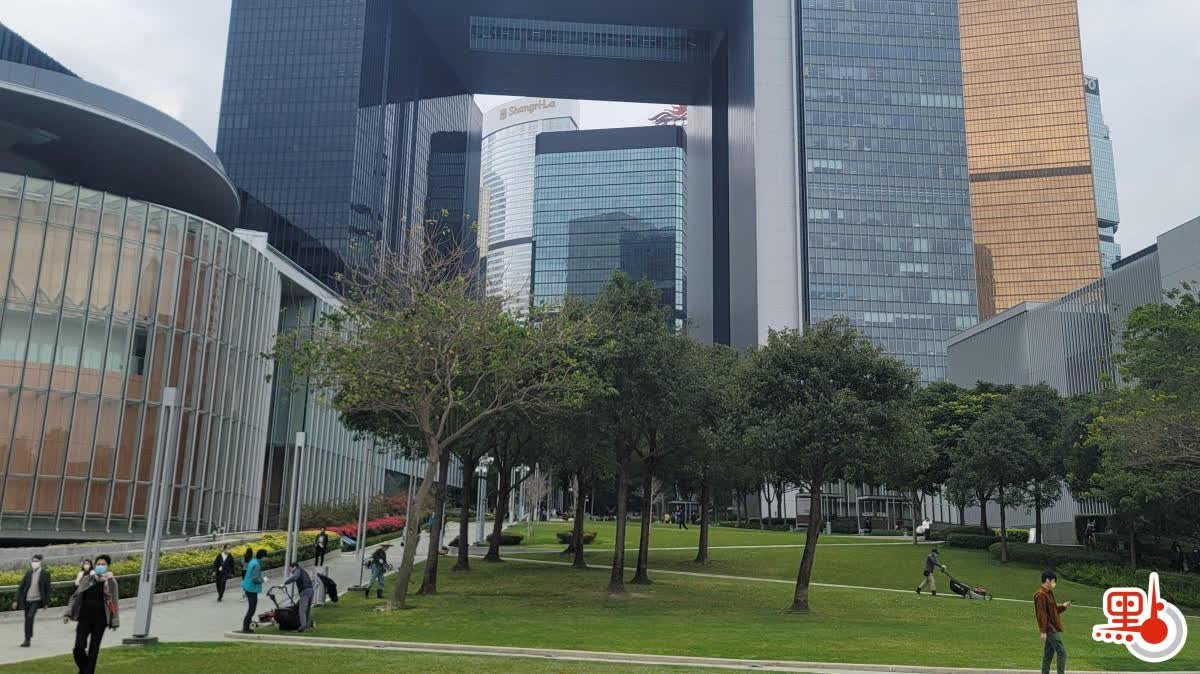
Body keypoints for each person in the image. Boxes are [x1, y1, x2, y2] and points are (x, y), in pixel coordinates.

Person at [66, 553, 119, 674]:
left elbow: (114, 602)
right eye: (98, 564)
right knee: (78, 648)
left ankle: (88, 672)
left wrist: (115, 620)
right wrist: (68, 613)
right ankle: (85, 670)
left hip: (101, 620)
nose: (100, 566)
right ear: (95, 566)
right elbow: (76, 596)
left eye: (103, 564)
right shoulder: (88, 579)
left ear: (108, 566)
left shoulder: (111, 582)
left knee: (93, 650)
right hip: (84, 617)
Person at [1034, 570, 1070, 674]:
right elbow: (1041, 614)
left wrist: (1063, 606)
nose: (1054, 584)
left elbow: (1053, 611)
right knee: (1062, 652)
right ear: (1047, 580)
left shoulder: (1049, 593)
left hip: (1052, 627)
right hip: (1050, 628)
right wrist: (1043, 631)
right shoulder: (1040, 595)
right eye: (1053, 581)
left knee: (1048, 654)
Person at [13, 553, 52, 648]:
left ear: (41, 562)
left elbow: (48, 589)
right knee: (27, 619)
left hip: (37, 600)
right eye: (33, 561)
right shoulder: (28, 573)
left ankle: (28, 638)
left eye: (36, 561)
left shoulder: (45, 574)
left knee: (30, 617)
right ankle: (27, 639)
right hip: (27, 600)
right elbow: (21, 587)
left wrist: (46, 602)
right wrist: (16, 600)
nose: (34, 563)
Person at [240, 549, 266, 633]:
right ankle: (245, 627)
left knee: (251, 608)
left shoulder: (253, 561)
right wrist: (263, 580)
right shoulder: (257, 565)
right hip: (251, 589)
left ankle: (246, 626)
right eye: (265, 557)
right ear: (263, 557)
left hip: (248, 587)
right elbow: (255, 579)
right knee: (252, 609)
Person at [284, 562, 315, 632]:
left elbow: (295, 577)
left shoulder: (297, 570)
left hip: (304, 591)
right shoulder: (303, 571)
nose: (290, 571)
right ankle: (307, 624)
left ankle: (302, 627)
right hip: (311, 590)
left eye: (290, 569)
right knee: (307, 610)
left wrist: (285, 583)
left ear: (294, 567)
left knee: (302, 610)